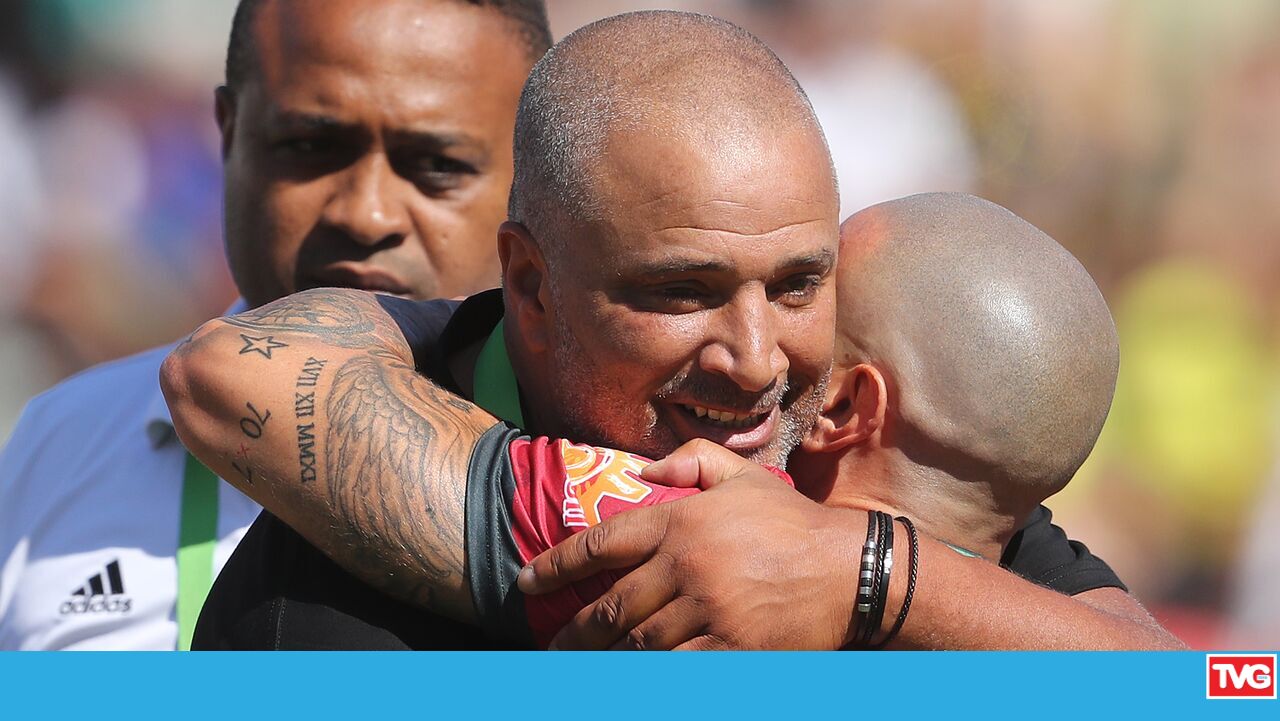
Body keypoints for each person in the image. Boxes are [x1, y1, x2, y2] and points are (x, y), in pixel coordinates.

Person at [164, 13, 1180, 650]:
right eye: (684, 291)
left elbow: (1214, 684)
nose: (756, 359)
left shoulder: (839, 472)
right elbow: (222, 372)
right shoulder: (324, 605)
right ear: (531, 287)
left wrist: (862, 576)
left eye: (797, 284)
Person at [0, 0, 550, 650]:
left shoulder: (624, 485)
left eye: (436, 164)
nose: (365, 214)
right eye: (311, 147)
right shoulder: (62, 443)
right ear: (227, 133)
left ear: (535, 178)